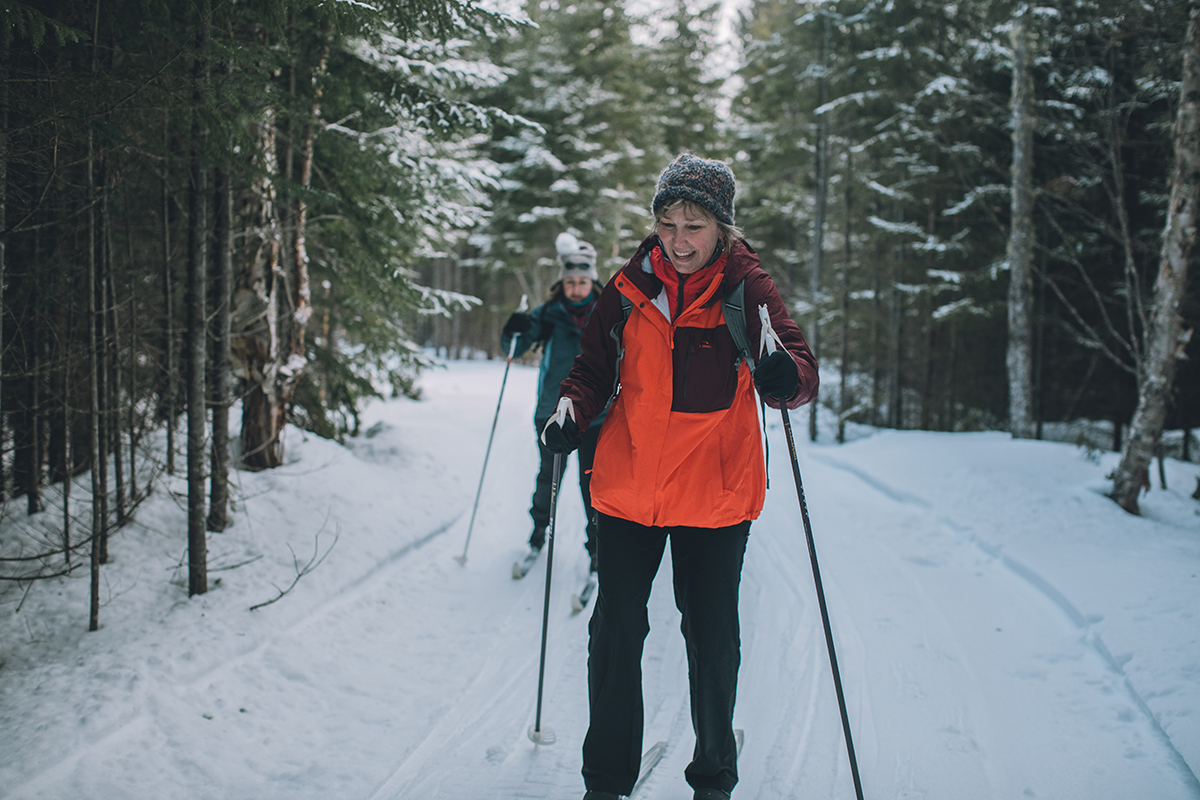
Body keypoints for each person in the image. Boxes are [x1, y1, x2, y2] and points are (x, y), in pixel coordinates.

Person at [540, 153, 819, 800]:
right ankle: (605, 781)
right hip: (629, 488)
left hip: (715, 497)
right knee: (614, 633)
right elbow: (589, 371)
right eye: (667, 223)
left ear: (721, 226)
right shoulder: (629, 286)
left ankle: (713, 776)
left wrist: (787, 380)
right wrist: (571, 412)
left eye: (693, 225)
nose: (678, 239)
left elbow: (799, 366)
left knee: (711, 639)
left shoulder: (747, 289)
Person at [501, 233, 606, 570]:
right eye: (571, 281)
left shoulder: (607, 312)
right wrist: (513, 330)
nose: (577, 287)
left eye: (583, 281)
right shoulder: (547, 313)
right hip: (552, 411)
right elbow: (513, 349)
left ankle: (597, 550)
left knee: (593, 485)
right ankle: (537, 536)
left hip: (597, 416)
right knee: (549, 479)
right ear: (562, 282)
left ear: (592, 281)